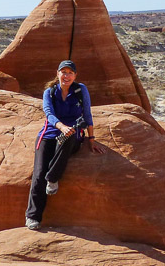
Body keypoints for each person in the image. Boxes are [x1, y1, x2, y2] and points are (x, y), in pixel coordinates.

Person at [25, 60, 105, 230]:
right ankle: (33, 216)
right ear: (58, 74)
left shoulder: (80, 90)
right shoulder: (50, 92)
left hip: (71, 136)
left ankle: (53, 178)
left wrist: (91, 139)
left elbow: (87, 114)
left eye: (70, 73)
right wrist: (61, 126)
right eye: (64, 72)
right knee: (39, 173)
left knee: (69, 135)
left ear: (75, 75)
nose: (66, 76)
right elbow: (49, 113)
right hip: (49, 133)